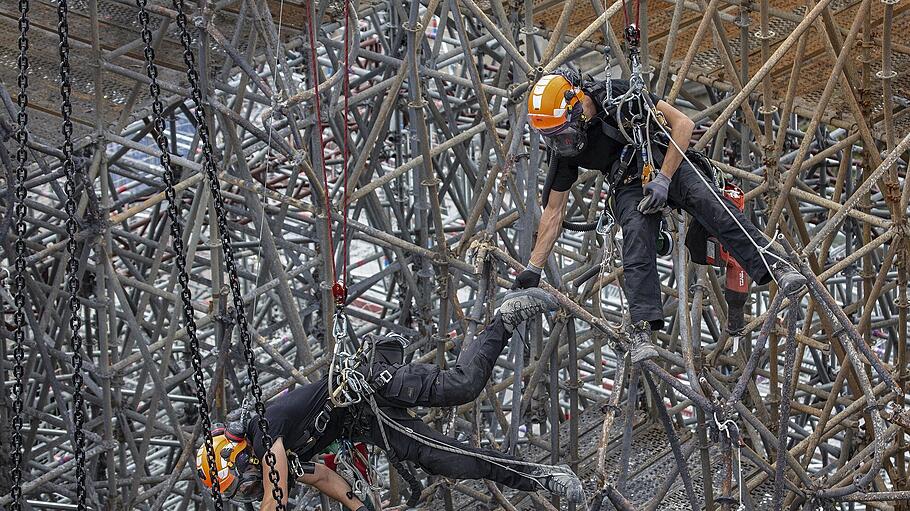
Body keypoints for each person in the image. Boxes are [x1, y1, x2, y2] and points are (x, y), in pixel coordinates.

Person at [196, 289, 586, 510]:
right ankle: (544, 477)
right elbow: (327, 478)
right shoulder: (277, 455)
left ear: (239, 457)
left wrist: (266, 499)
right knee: (445, 458)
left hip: (370, 386)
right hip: (367, 419)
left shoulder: (266, 432)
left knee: (463, 386)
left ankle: (505, 316)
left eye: (243, 486)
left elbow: (274, 497)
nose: (251, 491)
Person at [515, 70, 806, 363]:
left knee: (711, 203)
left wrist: (664, 179)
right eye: (554, 138)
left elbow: (683, 124)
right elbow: (554, 212)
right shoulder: (565, 150)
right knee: (635, 234)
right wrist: (533, 269)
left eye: (562, 133)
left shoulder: (618, 96)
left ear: (576, 107)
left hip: (666, 161)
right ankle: (642, 328)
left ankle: (777, 266)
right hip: (628, 183)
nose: (562, 143)